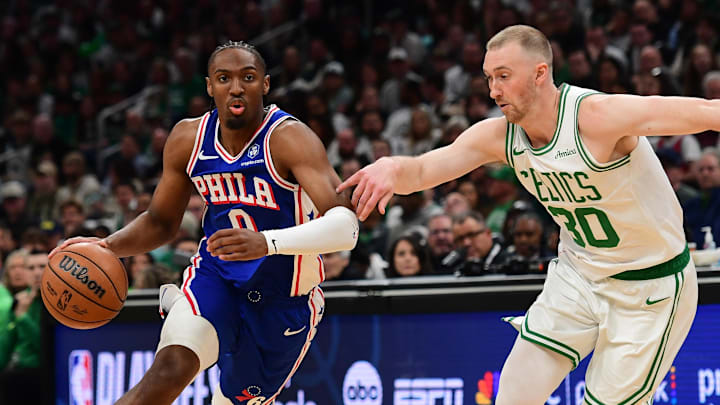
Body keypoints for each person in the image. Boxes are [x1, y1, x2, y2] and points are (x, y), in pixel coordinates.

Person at [339, 25, 700, 404]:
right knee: (513, 395)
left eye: (504, 77)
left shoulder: (597, 117)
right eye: (489, 78)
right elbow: (425, 170)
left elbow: (705, 113)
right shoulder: (500, 136)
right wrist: (391, 169)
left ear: (540, 74)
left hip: (650, 285)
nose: (493, 90)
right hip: (579, 276)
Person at [51, 41, 358, 405]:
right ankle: (187, 307)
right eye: (224, 78)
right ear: (210, 87)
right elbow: (161, 222)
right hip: (217, 279)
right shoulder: (187, 139)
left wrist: (267, 242)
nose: (236, 87)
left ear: (265, 85)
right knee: (168, 370)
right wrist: (106, 247)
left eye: (248, 77)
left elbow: (347, 227)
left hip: (283, 300)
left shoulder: (289, 138)